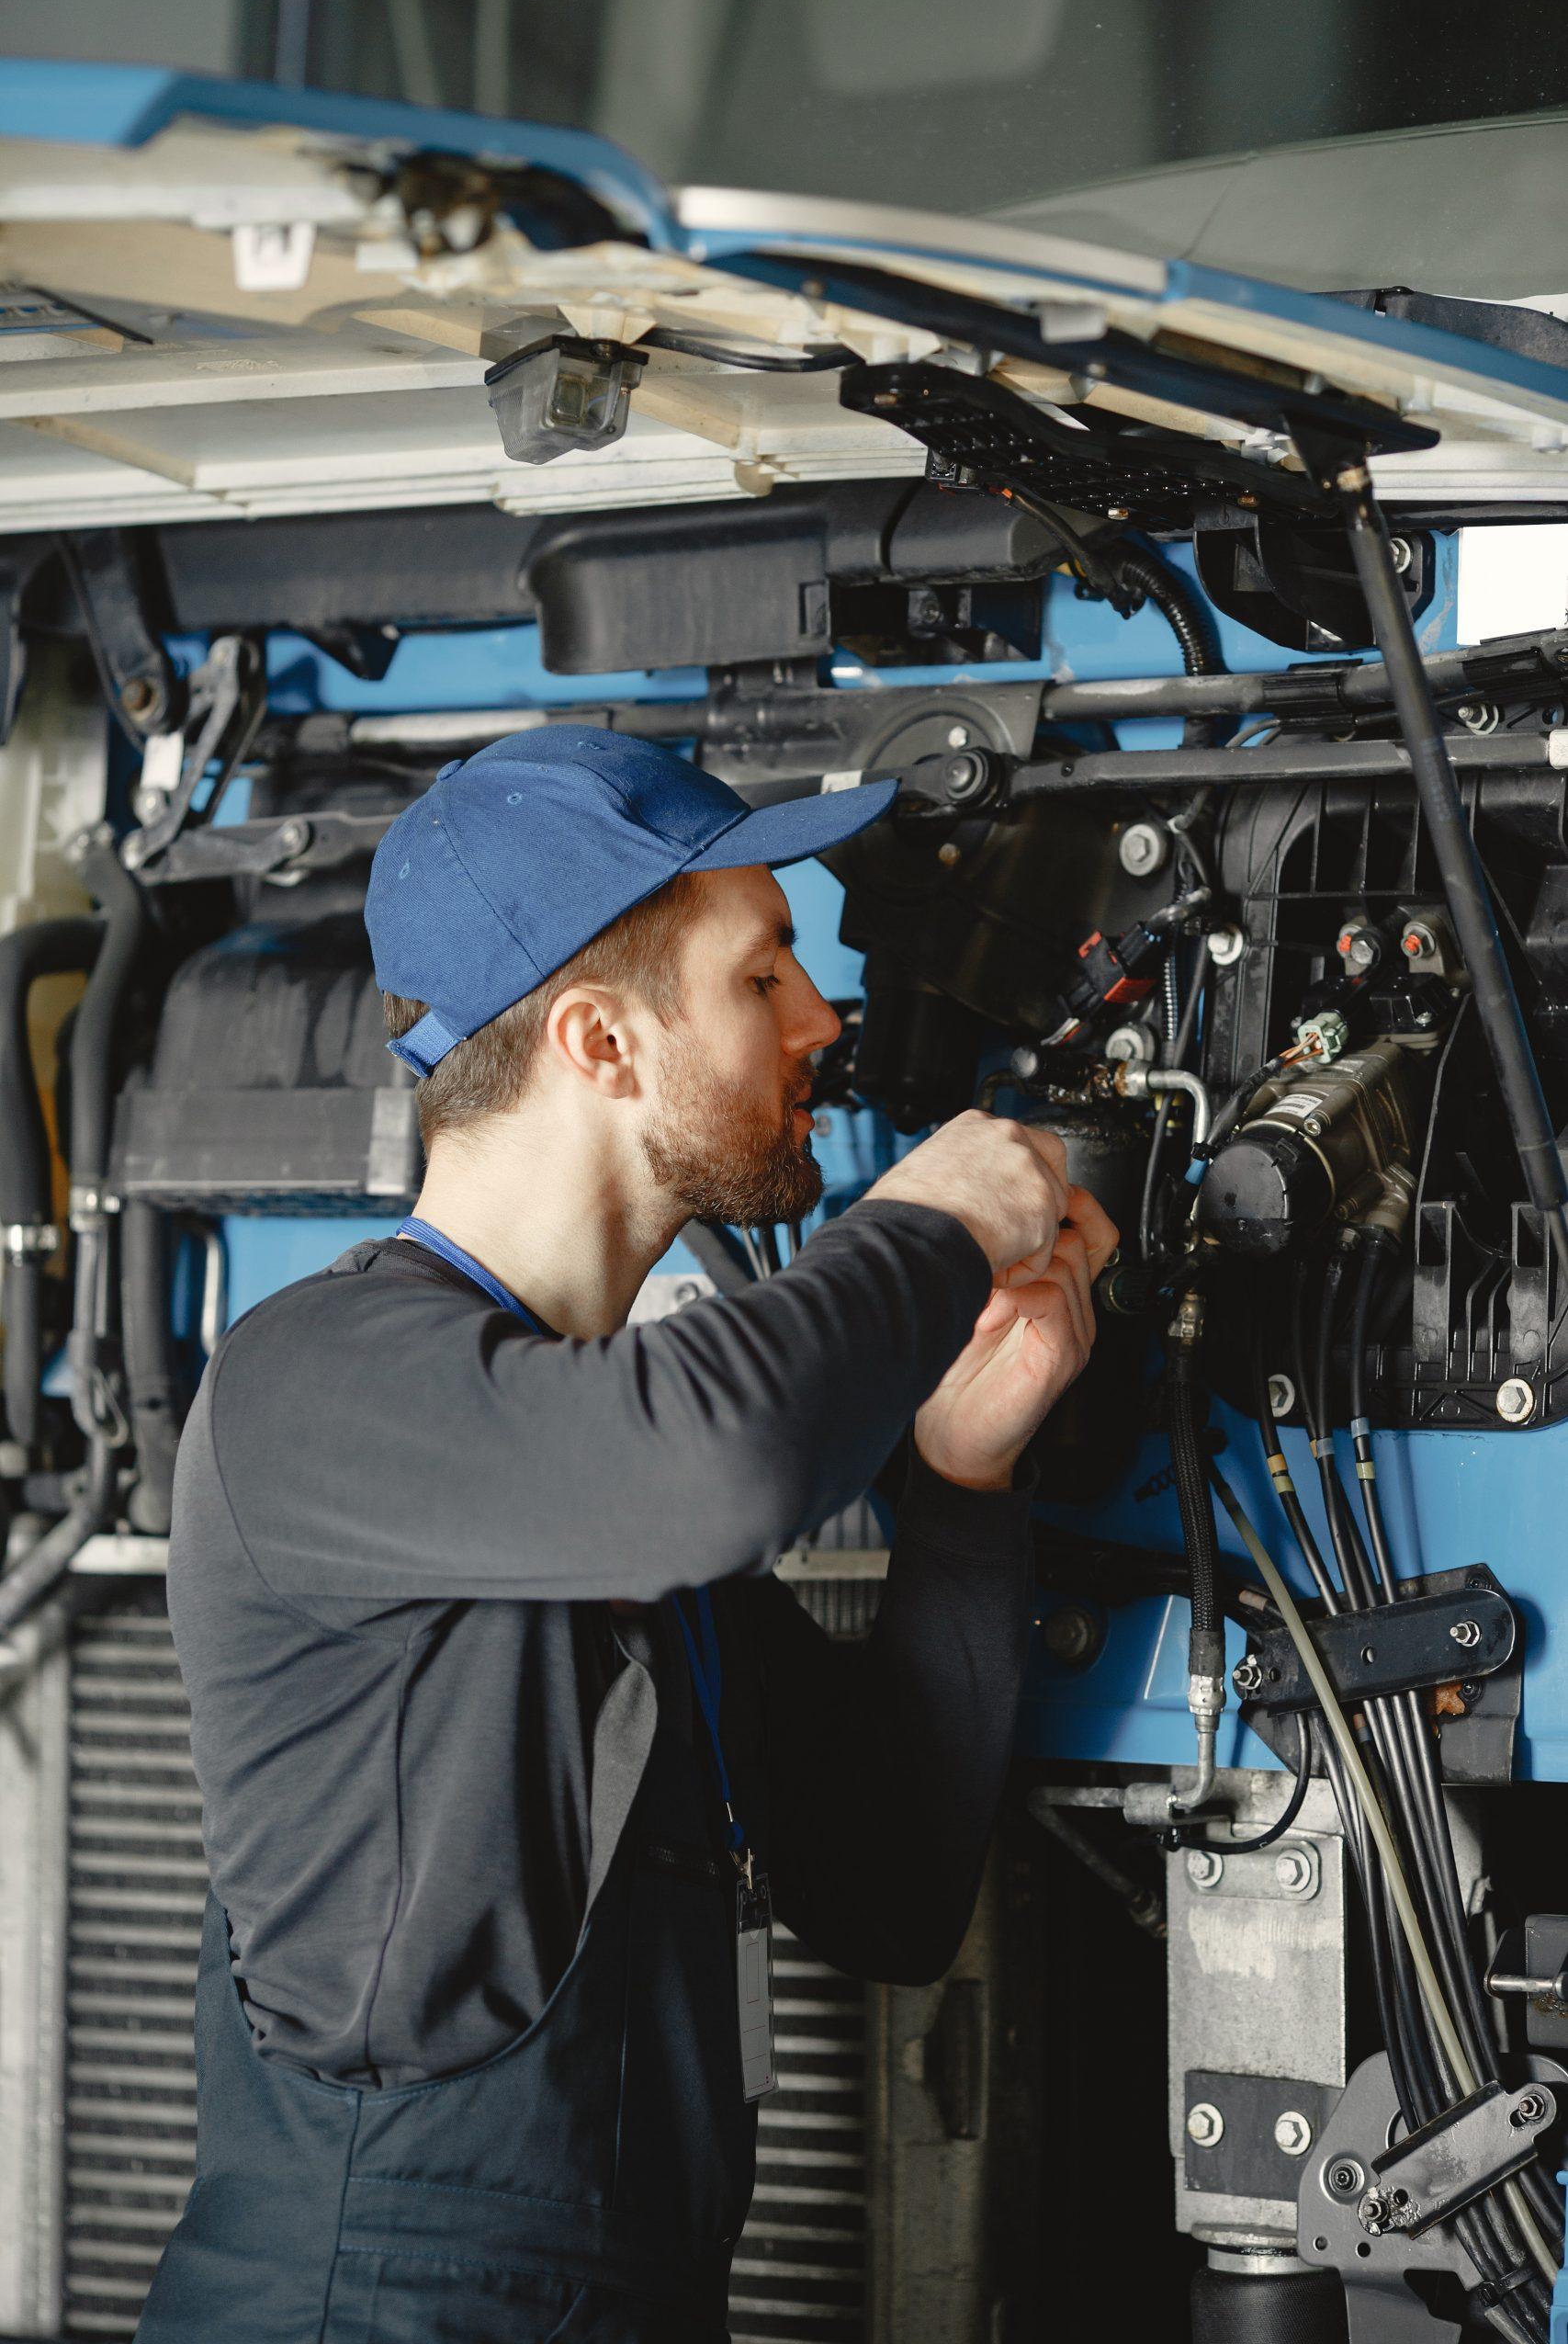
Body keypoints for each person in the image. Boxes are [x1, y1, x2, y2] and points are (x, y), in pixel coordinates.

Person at [137, 727, 1116, 2344]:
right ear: (598, 1041)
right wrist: (935, 1221)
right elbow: (725, 1455)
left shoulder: (598, 1484)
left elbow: (889, 1887)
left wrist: (964, 1478)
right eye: (763, 976)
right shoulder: (310, 1385)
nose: (822, 1022)